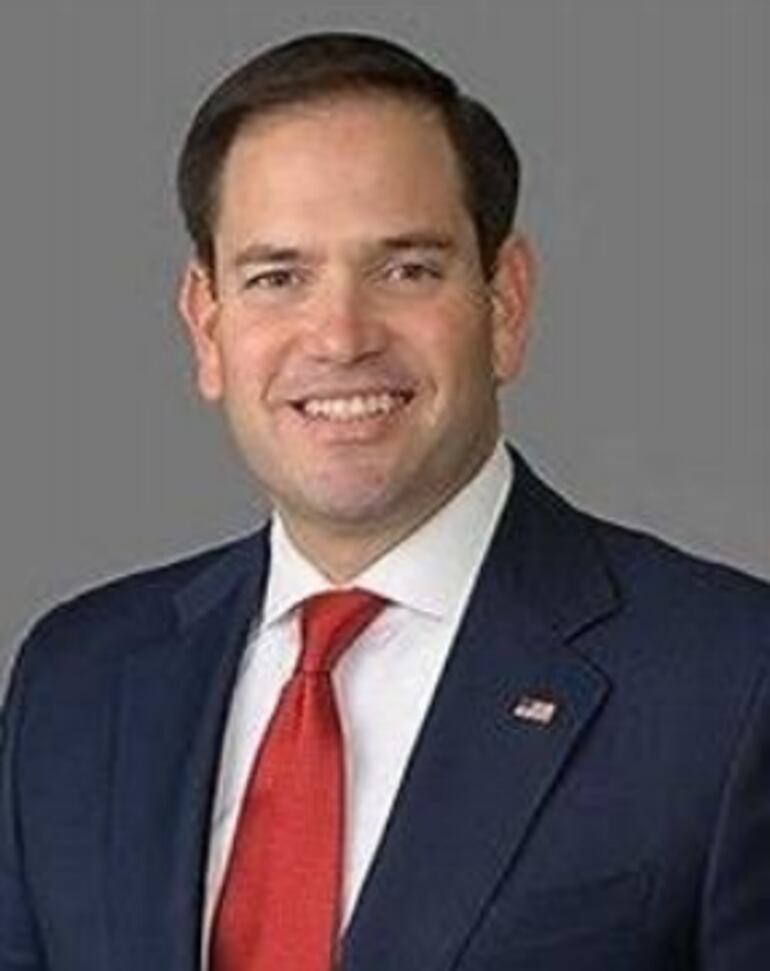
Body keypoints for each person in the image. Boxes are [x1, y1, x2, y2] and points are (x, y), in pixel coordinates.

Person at [1, 31, 769, 971]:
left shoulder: (733, 681)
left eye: (407, 269)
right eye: (278, 277)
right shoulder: (75, 683)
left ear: (505, 303)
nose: (340, 337)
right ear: (208, 326)